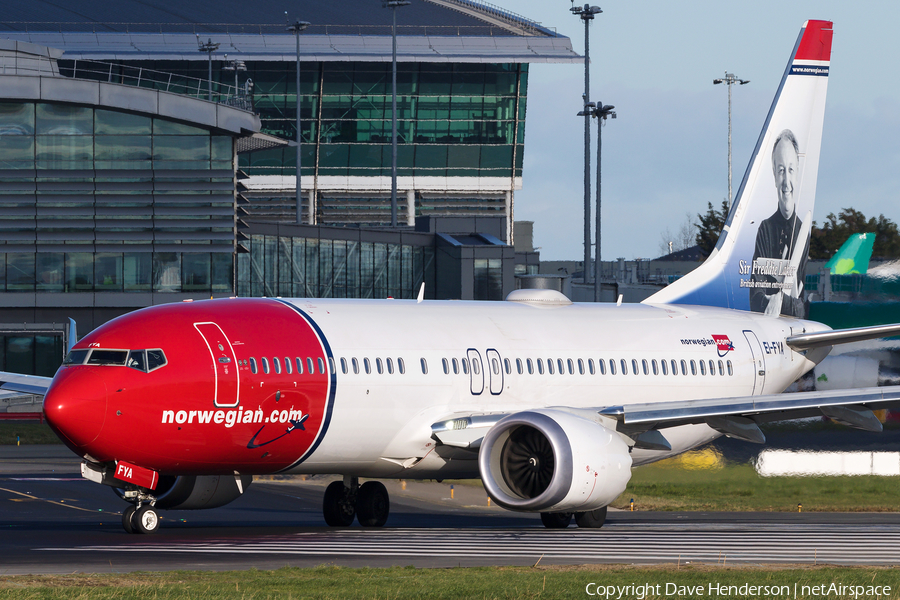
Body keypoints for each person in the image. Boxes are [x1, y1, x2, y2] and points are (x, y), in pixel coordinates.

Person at [749, 129, 809, 317]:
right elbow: (755, 296)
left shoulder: (803, 233)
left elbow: (802, 307)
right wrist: (775, 300)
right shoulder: (764, 229)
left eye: (790, 169)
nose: (786, 181)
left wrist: (779, 300)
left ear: (798, 173)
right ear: (774, 175)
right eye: (781, 170)